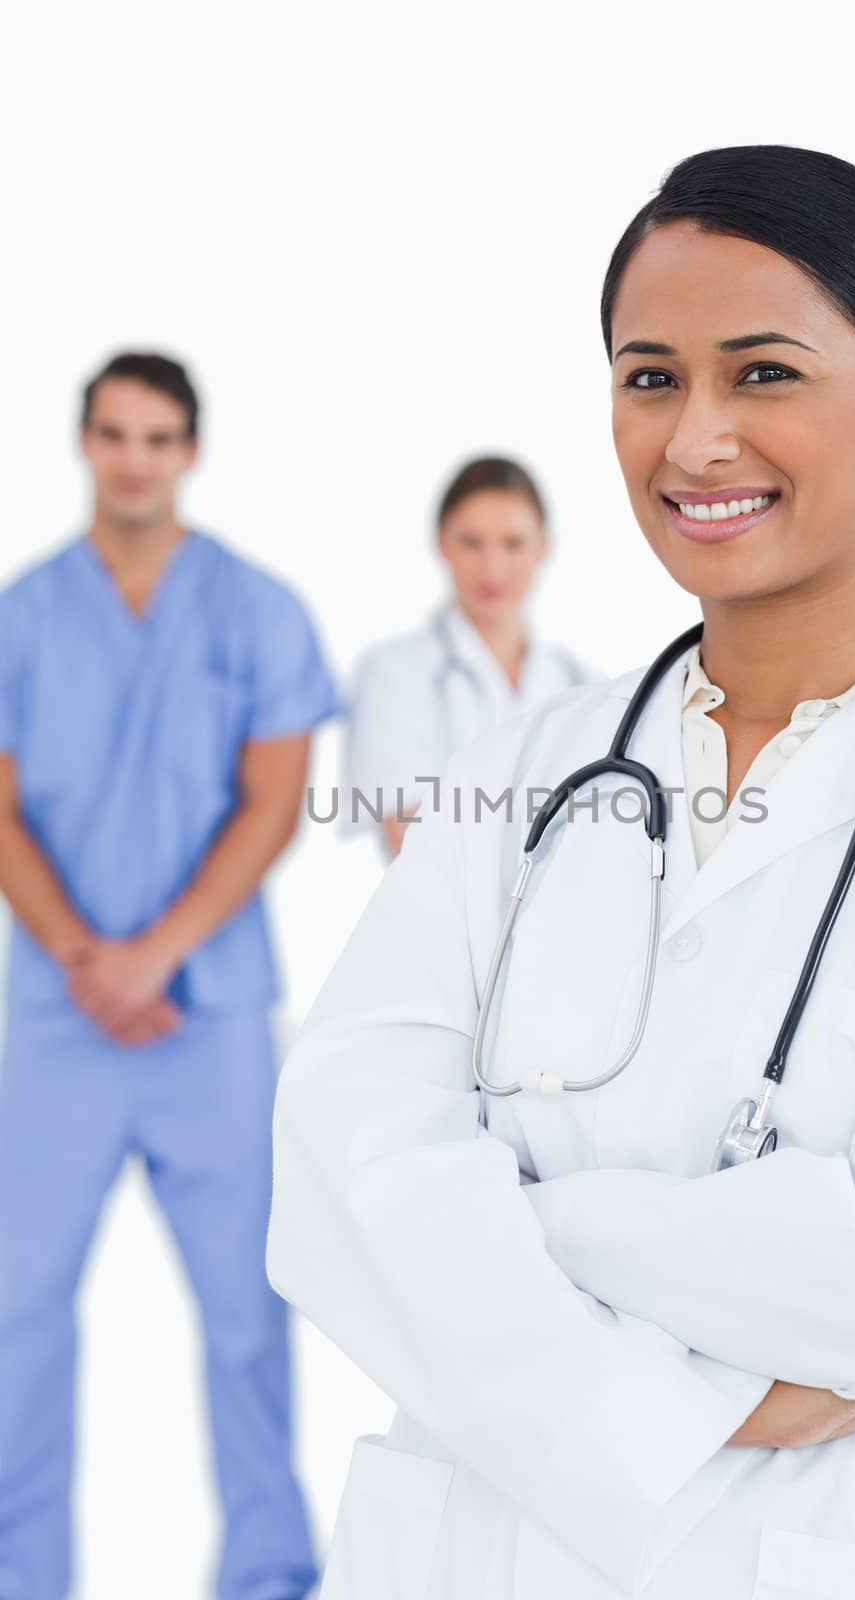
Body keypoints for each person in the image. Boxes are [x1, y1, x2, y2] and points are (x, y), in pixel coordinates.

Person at [264, 146, 855, 1600]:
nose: (693, 440)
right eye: (649, 379)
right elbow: (335, 1164)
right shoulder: (523, 771)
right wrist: (706, 1392)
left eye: (760, 375)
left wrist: (516, 1222)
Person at [0, 352, 333, 1599]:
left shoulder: (256, 610)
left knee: (247, 1316)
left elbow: (273, 801)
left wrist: (154, 954)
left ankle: (268, 1571)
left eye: (158, 437)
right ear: (83, 442)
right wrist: (89, 959)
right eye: (114, 434)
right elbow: (3, 808)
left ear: (189, 451)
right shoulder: (24, 613)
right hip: (57, 1015)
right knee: (18, 1315)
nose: (134, 458)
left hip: (211, 1017)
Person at [341, 456, 588, 857]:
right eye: (471, 542)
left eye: (513, 544)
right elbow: (410, 836)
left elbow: (604, 835)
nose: (492, 568)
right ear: (442, 543)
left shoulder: (580, 681)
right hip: (442, 920)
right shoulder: (392, 672)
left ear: (542, 547)